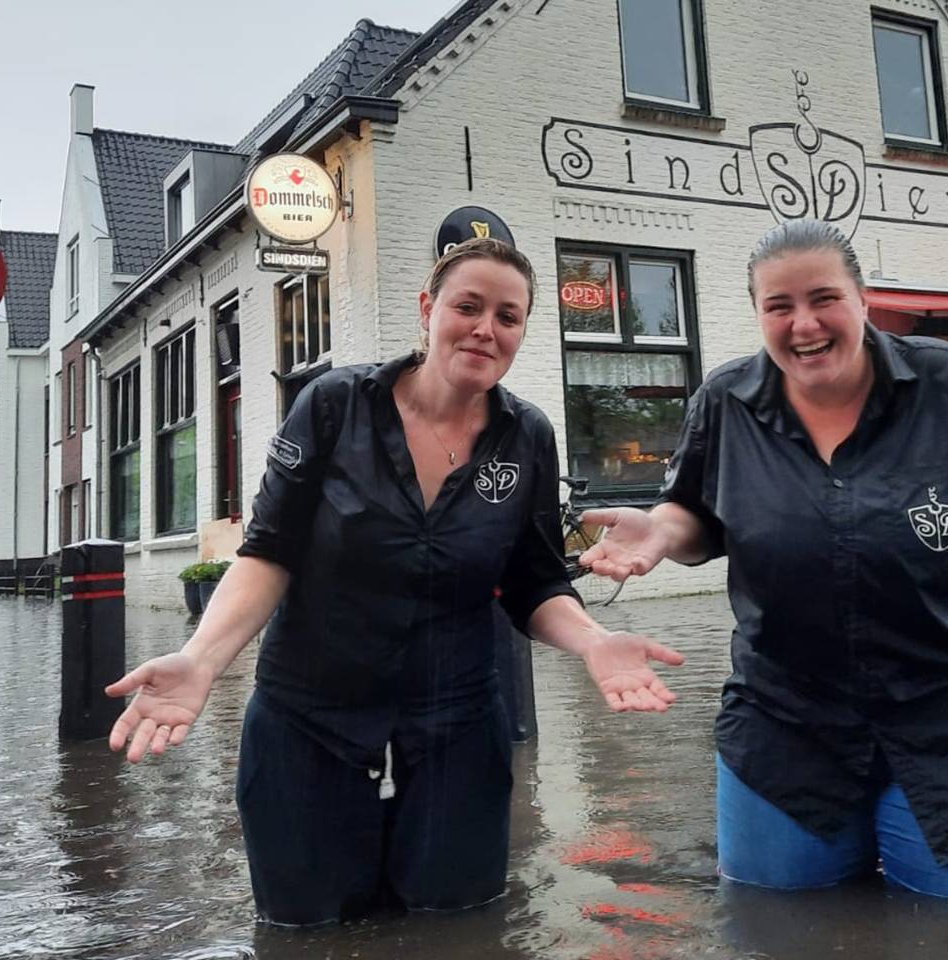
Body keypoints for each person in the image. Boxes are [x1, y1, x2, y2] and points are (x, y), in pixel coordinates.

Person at [106, 238, 684, 926]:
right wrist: (201, 660)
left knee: (460, 922)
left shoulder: (526, 435)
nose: (486, 329)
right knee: (305, 927)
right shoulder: (333, 405)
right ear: (427, 309)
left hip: (456, 715)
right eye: (468, 307)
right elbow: (269, 553)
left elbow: (533, 583)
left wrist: (593, 641)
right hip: (310, 711)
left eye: (508, 316)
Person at [580, 219, 948, 902]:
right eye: (779, 306)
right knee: (776, 923)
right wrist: (660, 532)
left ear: (862, 300)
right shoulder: (724, 402)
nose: (804, 324)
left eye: (824, 298)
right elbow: (694, 516)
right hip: (788, 715)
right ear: (758, 315)